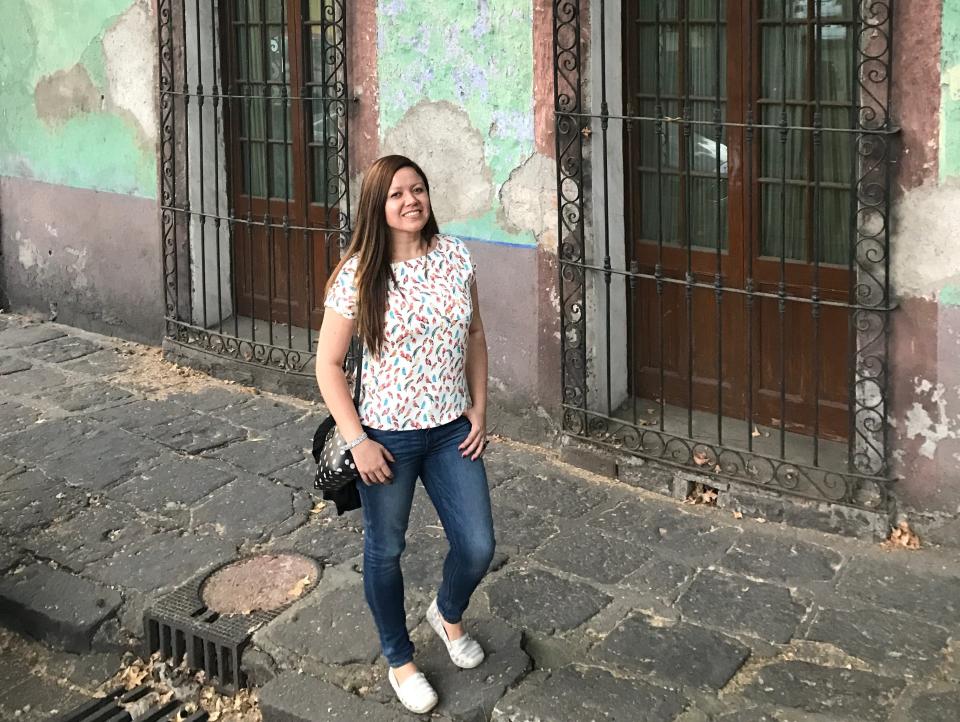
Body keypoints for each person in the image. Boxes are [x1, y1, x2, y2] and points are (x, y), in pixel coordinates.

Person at [314, 154, 496, 714]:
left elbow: (476, 338)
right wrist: (359, 439)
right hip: (385, 439)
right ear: (378, 205)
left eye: (418, 189)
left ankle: (446, 613)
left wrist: (480, 408)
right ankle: (400, 660)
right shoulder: (359, 274)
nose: (410, 200)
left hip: (449, 432)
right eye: (396, 194)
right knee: (385, 549)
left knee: (478, 545)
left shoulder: (455, 257)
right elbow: (328, 365)